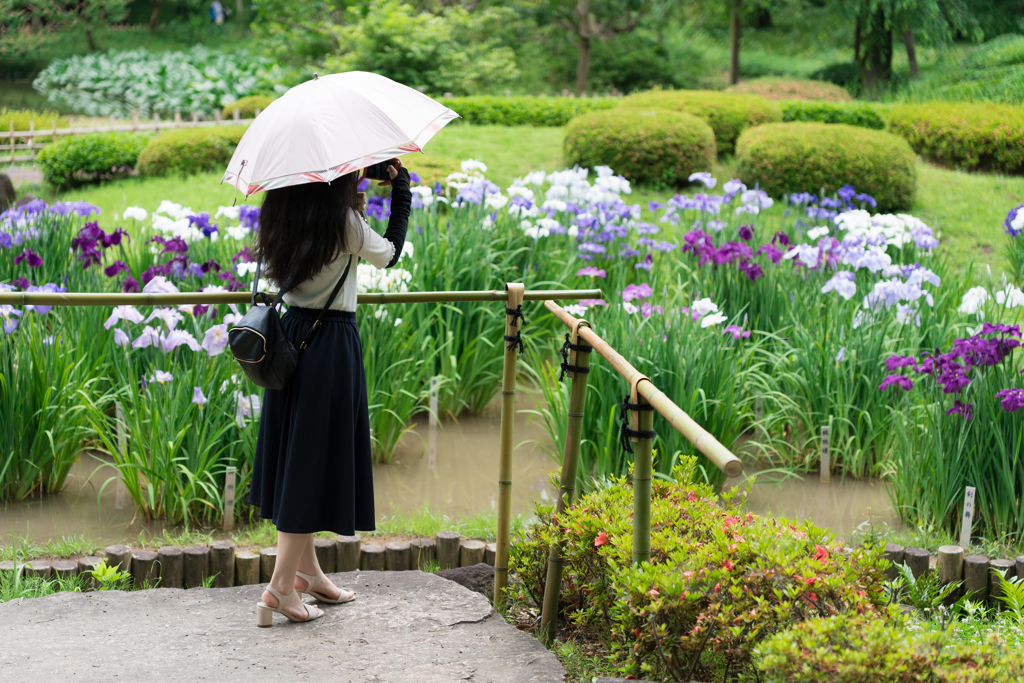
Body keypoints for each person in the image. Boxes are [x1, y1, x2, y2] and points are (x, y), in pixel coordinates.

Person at [250, 160, 411, 625]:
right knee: (309, 466)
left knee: (299, 457)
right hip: (329, 343)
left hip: (289, 338)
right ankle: (280, 589)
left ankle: (309, 575)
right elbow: (390, 254)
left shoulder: (279, 211)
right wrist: (401, 190)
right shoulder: (342, 222)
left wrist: (349, 211)